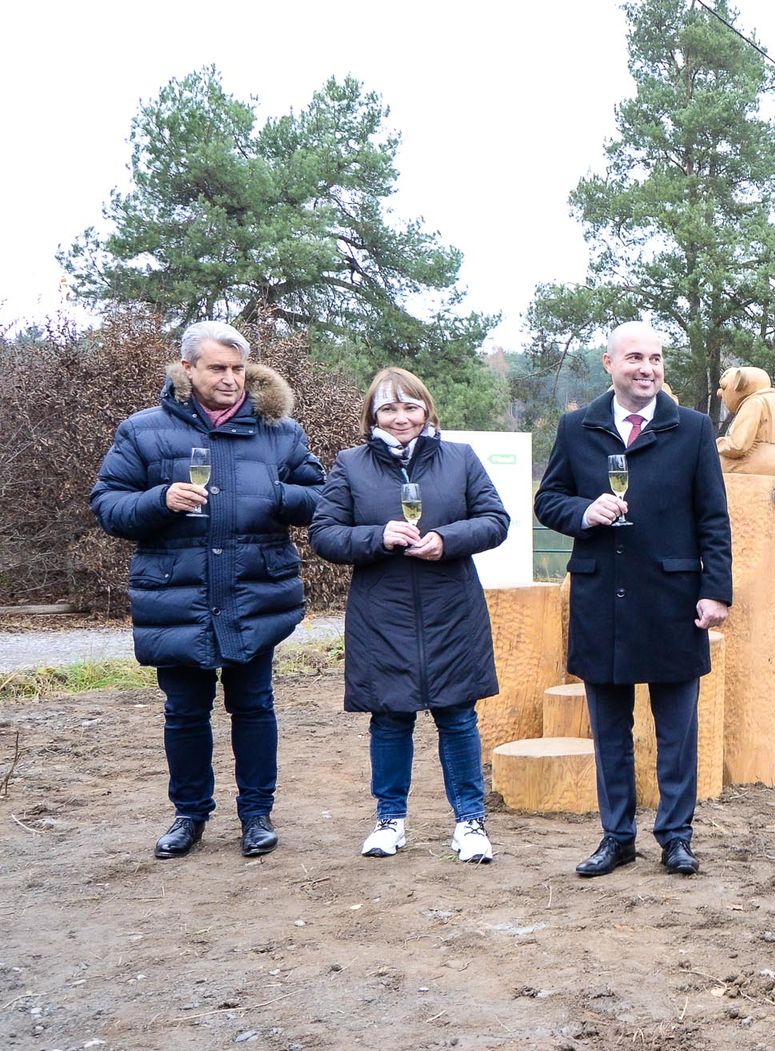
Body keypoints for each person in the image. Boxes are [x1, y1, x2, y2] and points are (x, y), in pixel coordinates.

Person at [90, 321, 325, 859]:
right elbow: (107, 505)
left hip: (254, 591)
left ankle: (257, 815)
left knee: (255, 705)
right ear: (188, 368)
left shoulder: (281, 432)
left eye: (238, 368)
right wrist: (158, 502)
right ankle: (190, 815)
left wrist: (276, 492)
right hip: (177, 596)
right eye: (218, 368)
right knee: (184, 713)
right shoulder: (143, 430)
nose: (230, 379)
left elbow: (321, 499)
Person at [535, 321, 732, 878]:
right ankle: (617, 837)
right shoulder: (577, 428)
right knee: (610, 733)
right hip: (603, 599)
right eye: (635, 358)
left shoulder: (692, 429)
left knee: (677, 732)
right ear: (609, 364)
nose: (647, 368)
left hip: (673, 600)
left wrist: (715, 590)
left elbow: (714, 518)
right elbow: (548, 500)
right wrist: (583, 512)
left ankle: (675, 837)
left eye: (656, 358)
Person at [309, 368, 509, 864]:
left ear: (427, 410)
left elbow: (495, 520)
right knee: (390, 719)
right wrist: (377, 537)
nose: (401, 418)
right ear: (373, 415)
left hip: (452, 611)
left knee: (458, 717)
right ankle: (390, 820)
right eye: (389, 409)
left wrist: (447, 540)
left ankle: (470, 821)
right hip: (382, 615)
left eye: (410, 407)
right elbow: (324, 533)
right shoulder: (351, 465)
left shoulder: (460, 458)